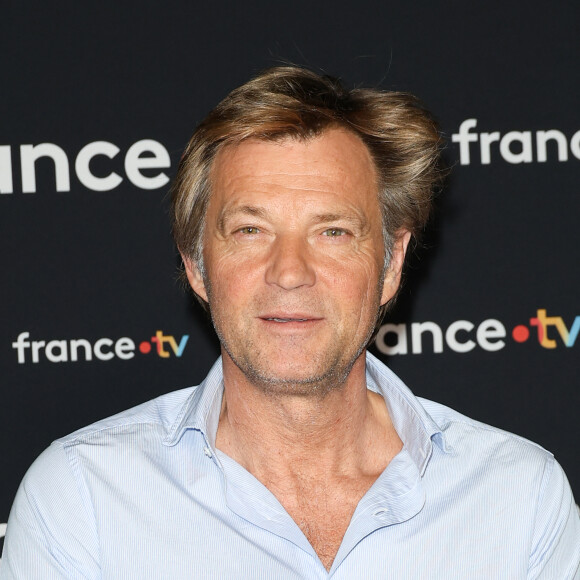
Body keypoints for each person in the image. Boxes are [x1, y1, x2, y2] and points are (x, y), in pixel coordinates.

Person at [1, 66, 579, 579]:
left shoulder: (520, 499)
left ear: (390, 264)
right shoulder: (82, 501)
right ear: (197, 266)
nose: (290, 272)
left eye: (333, 232)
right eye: (251, 230)